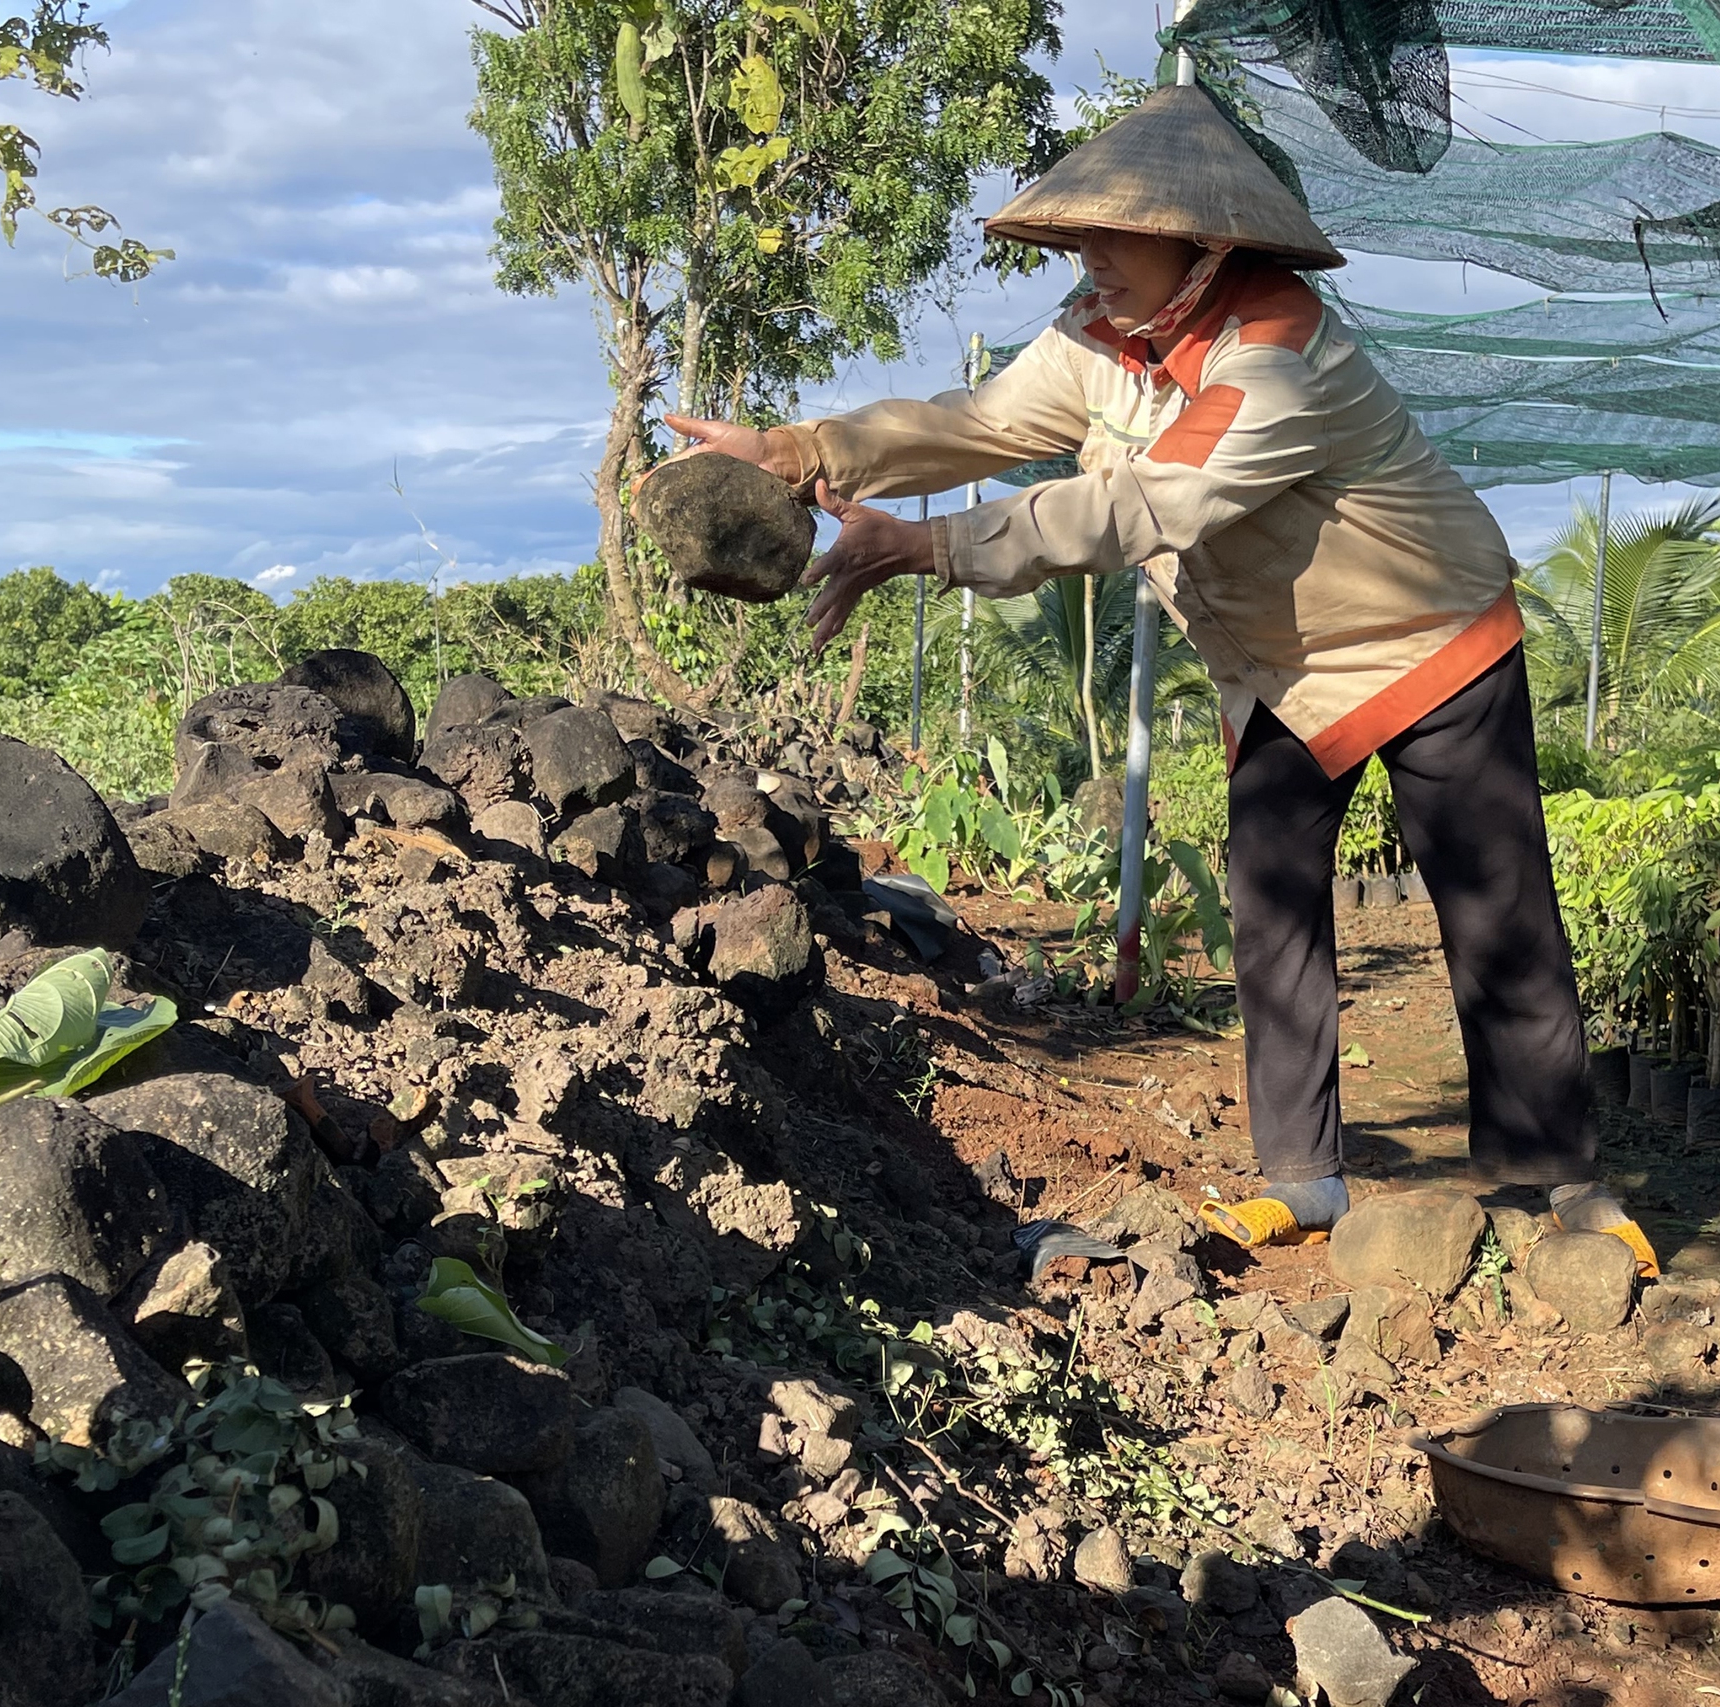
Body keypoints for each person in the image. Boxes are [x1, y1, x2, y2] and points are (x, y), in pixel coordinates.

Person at [664, 83, 1654, 1275]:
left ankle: (1555, 1186)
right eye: (1078, 233)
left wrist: (930, 546)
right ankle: (1306, 1181)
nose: (1087, 257)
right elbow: (976, 421)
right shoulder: (1098, 338)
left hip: (1429, 644)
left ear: (1201, 240)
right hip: (1279, 670)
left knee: (1495, 913)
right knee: (1270, 909)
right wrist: (805, 449)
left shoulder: (1281, 358)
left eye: (1111, 235)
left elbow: (1144, 503)